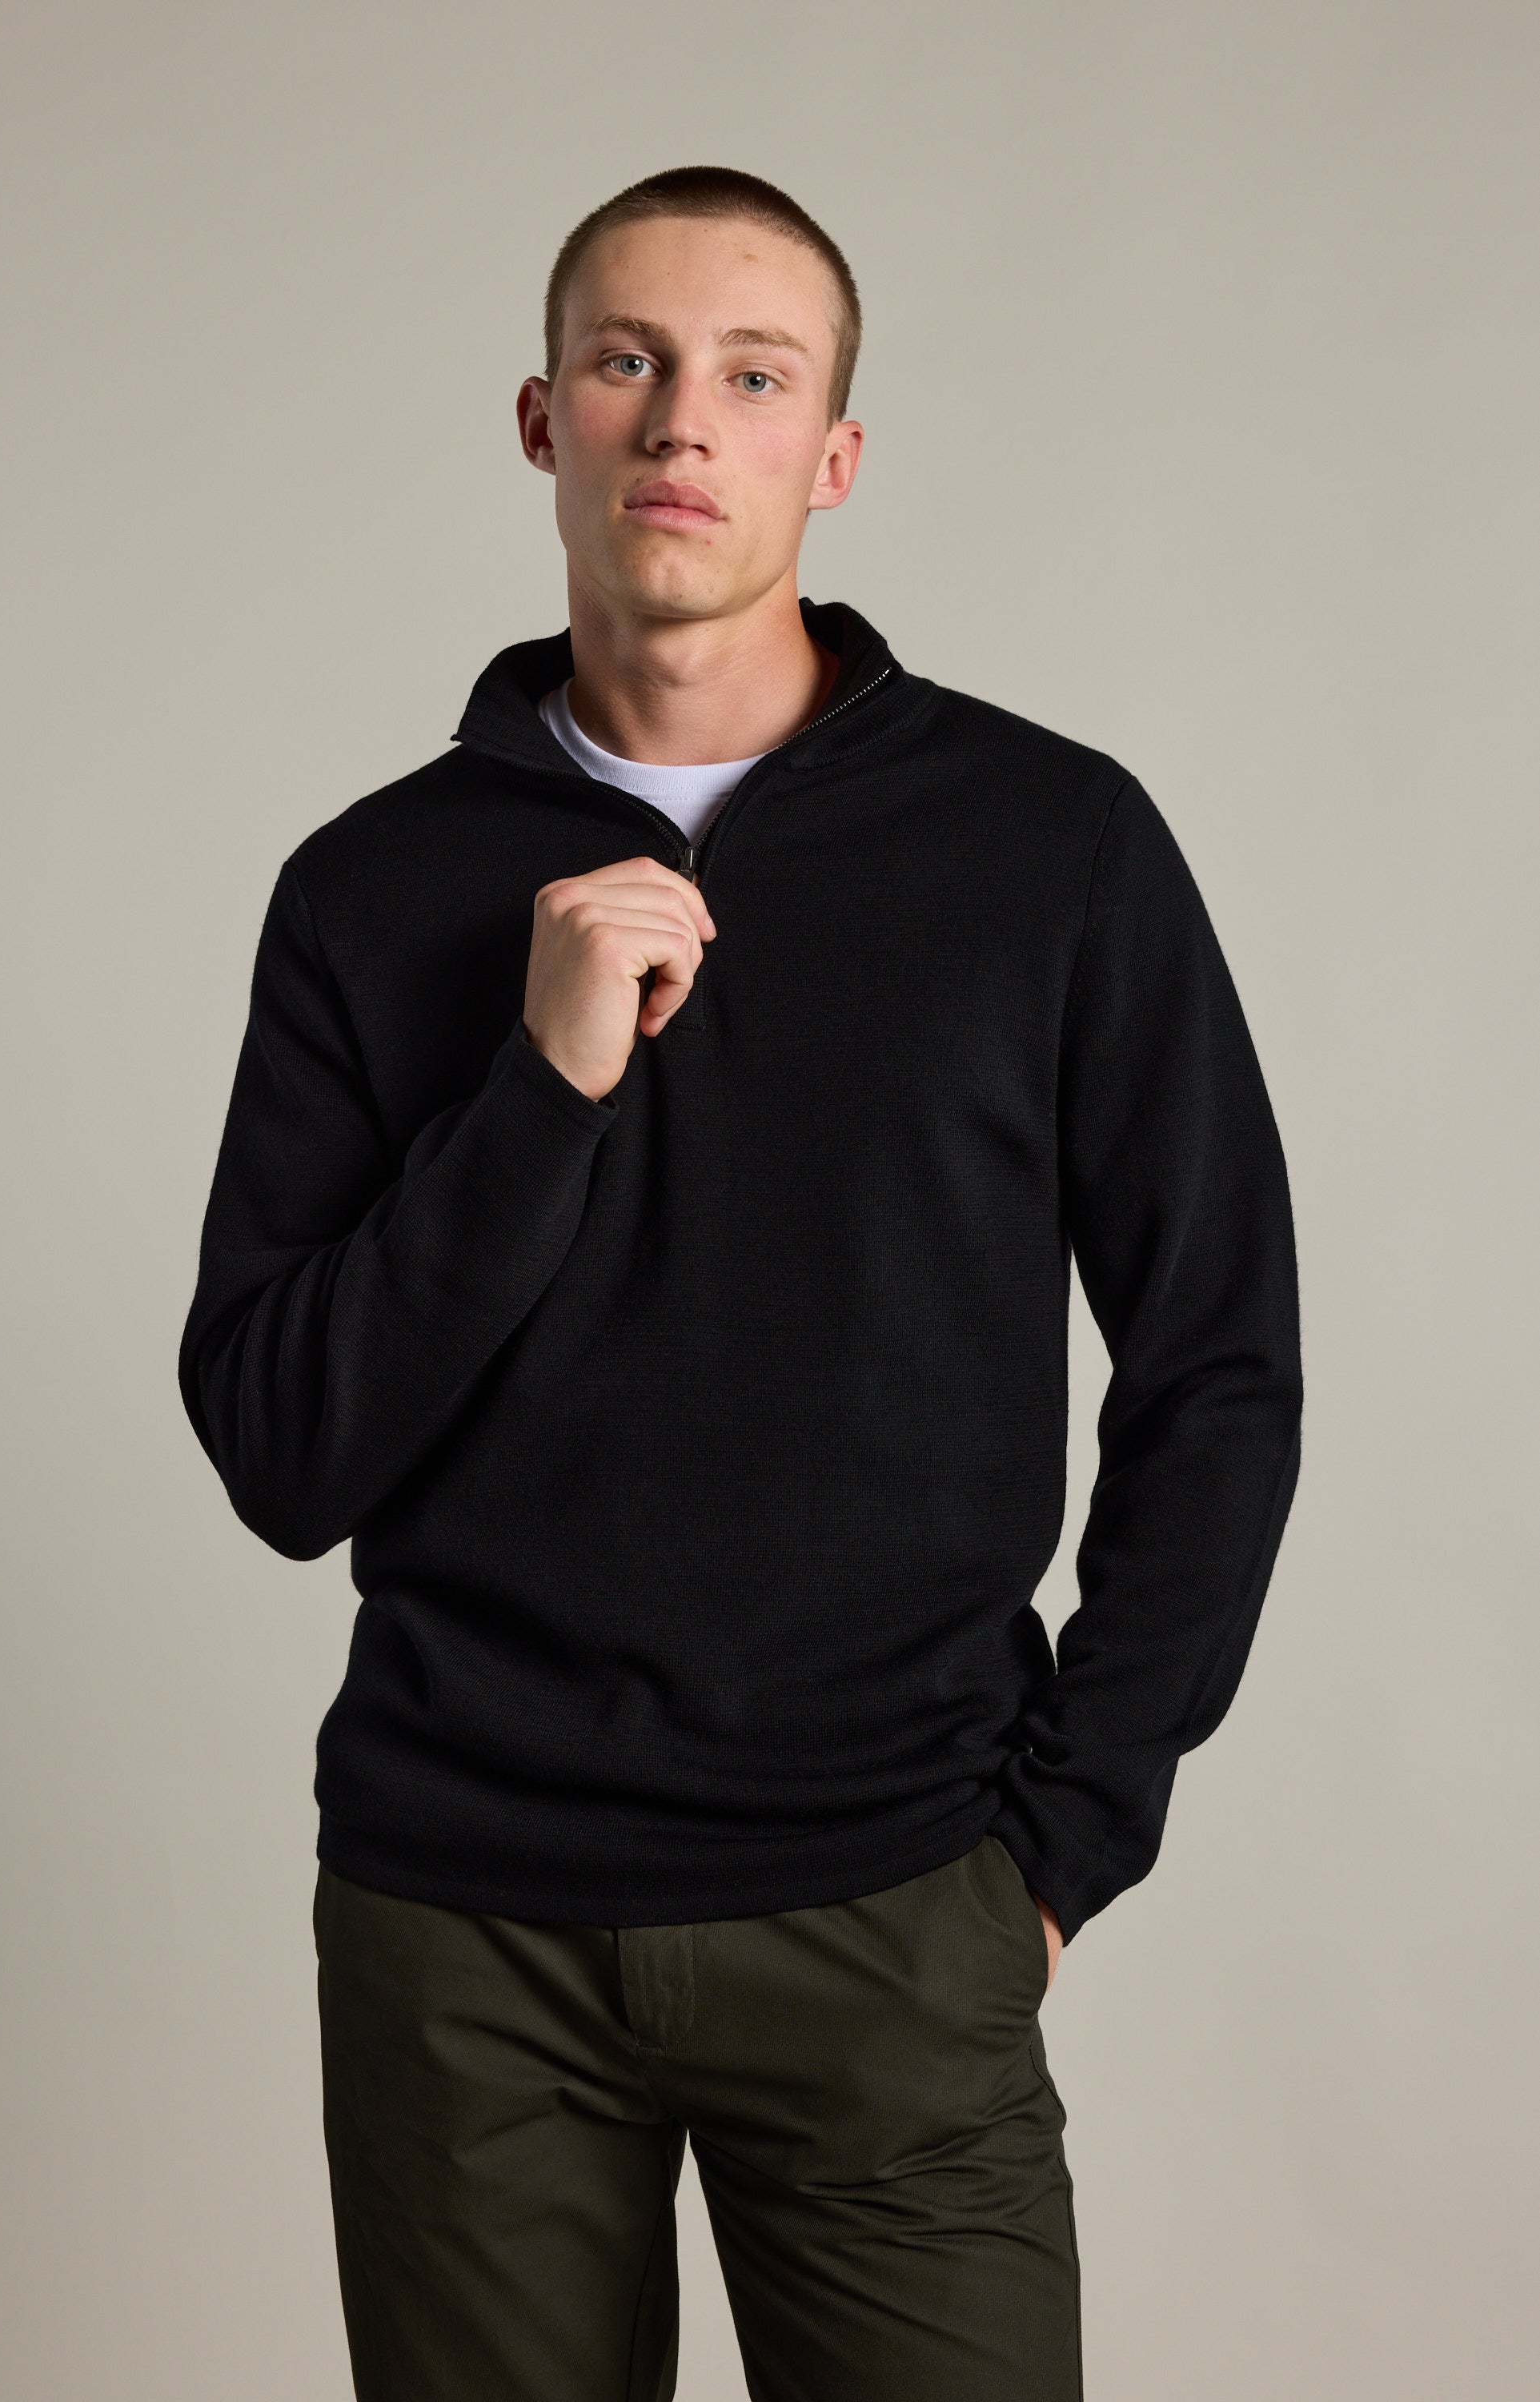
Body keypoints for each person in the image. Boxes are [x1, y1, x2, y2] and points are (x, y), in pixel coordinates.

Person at [178, 165, 1303, 2402]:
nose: (681, 419)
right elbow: (283, 1452)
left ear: (830, 456)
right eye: (628, 362)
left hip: (897, 1900)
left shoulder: (1047, 846)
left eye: (751, 375)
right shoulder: (369, 889)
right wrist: (541, 1091)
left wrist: (1066, 1841)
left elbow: (1218, 1365)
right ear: (542, 421)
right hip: (458, 1926)